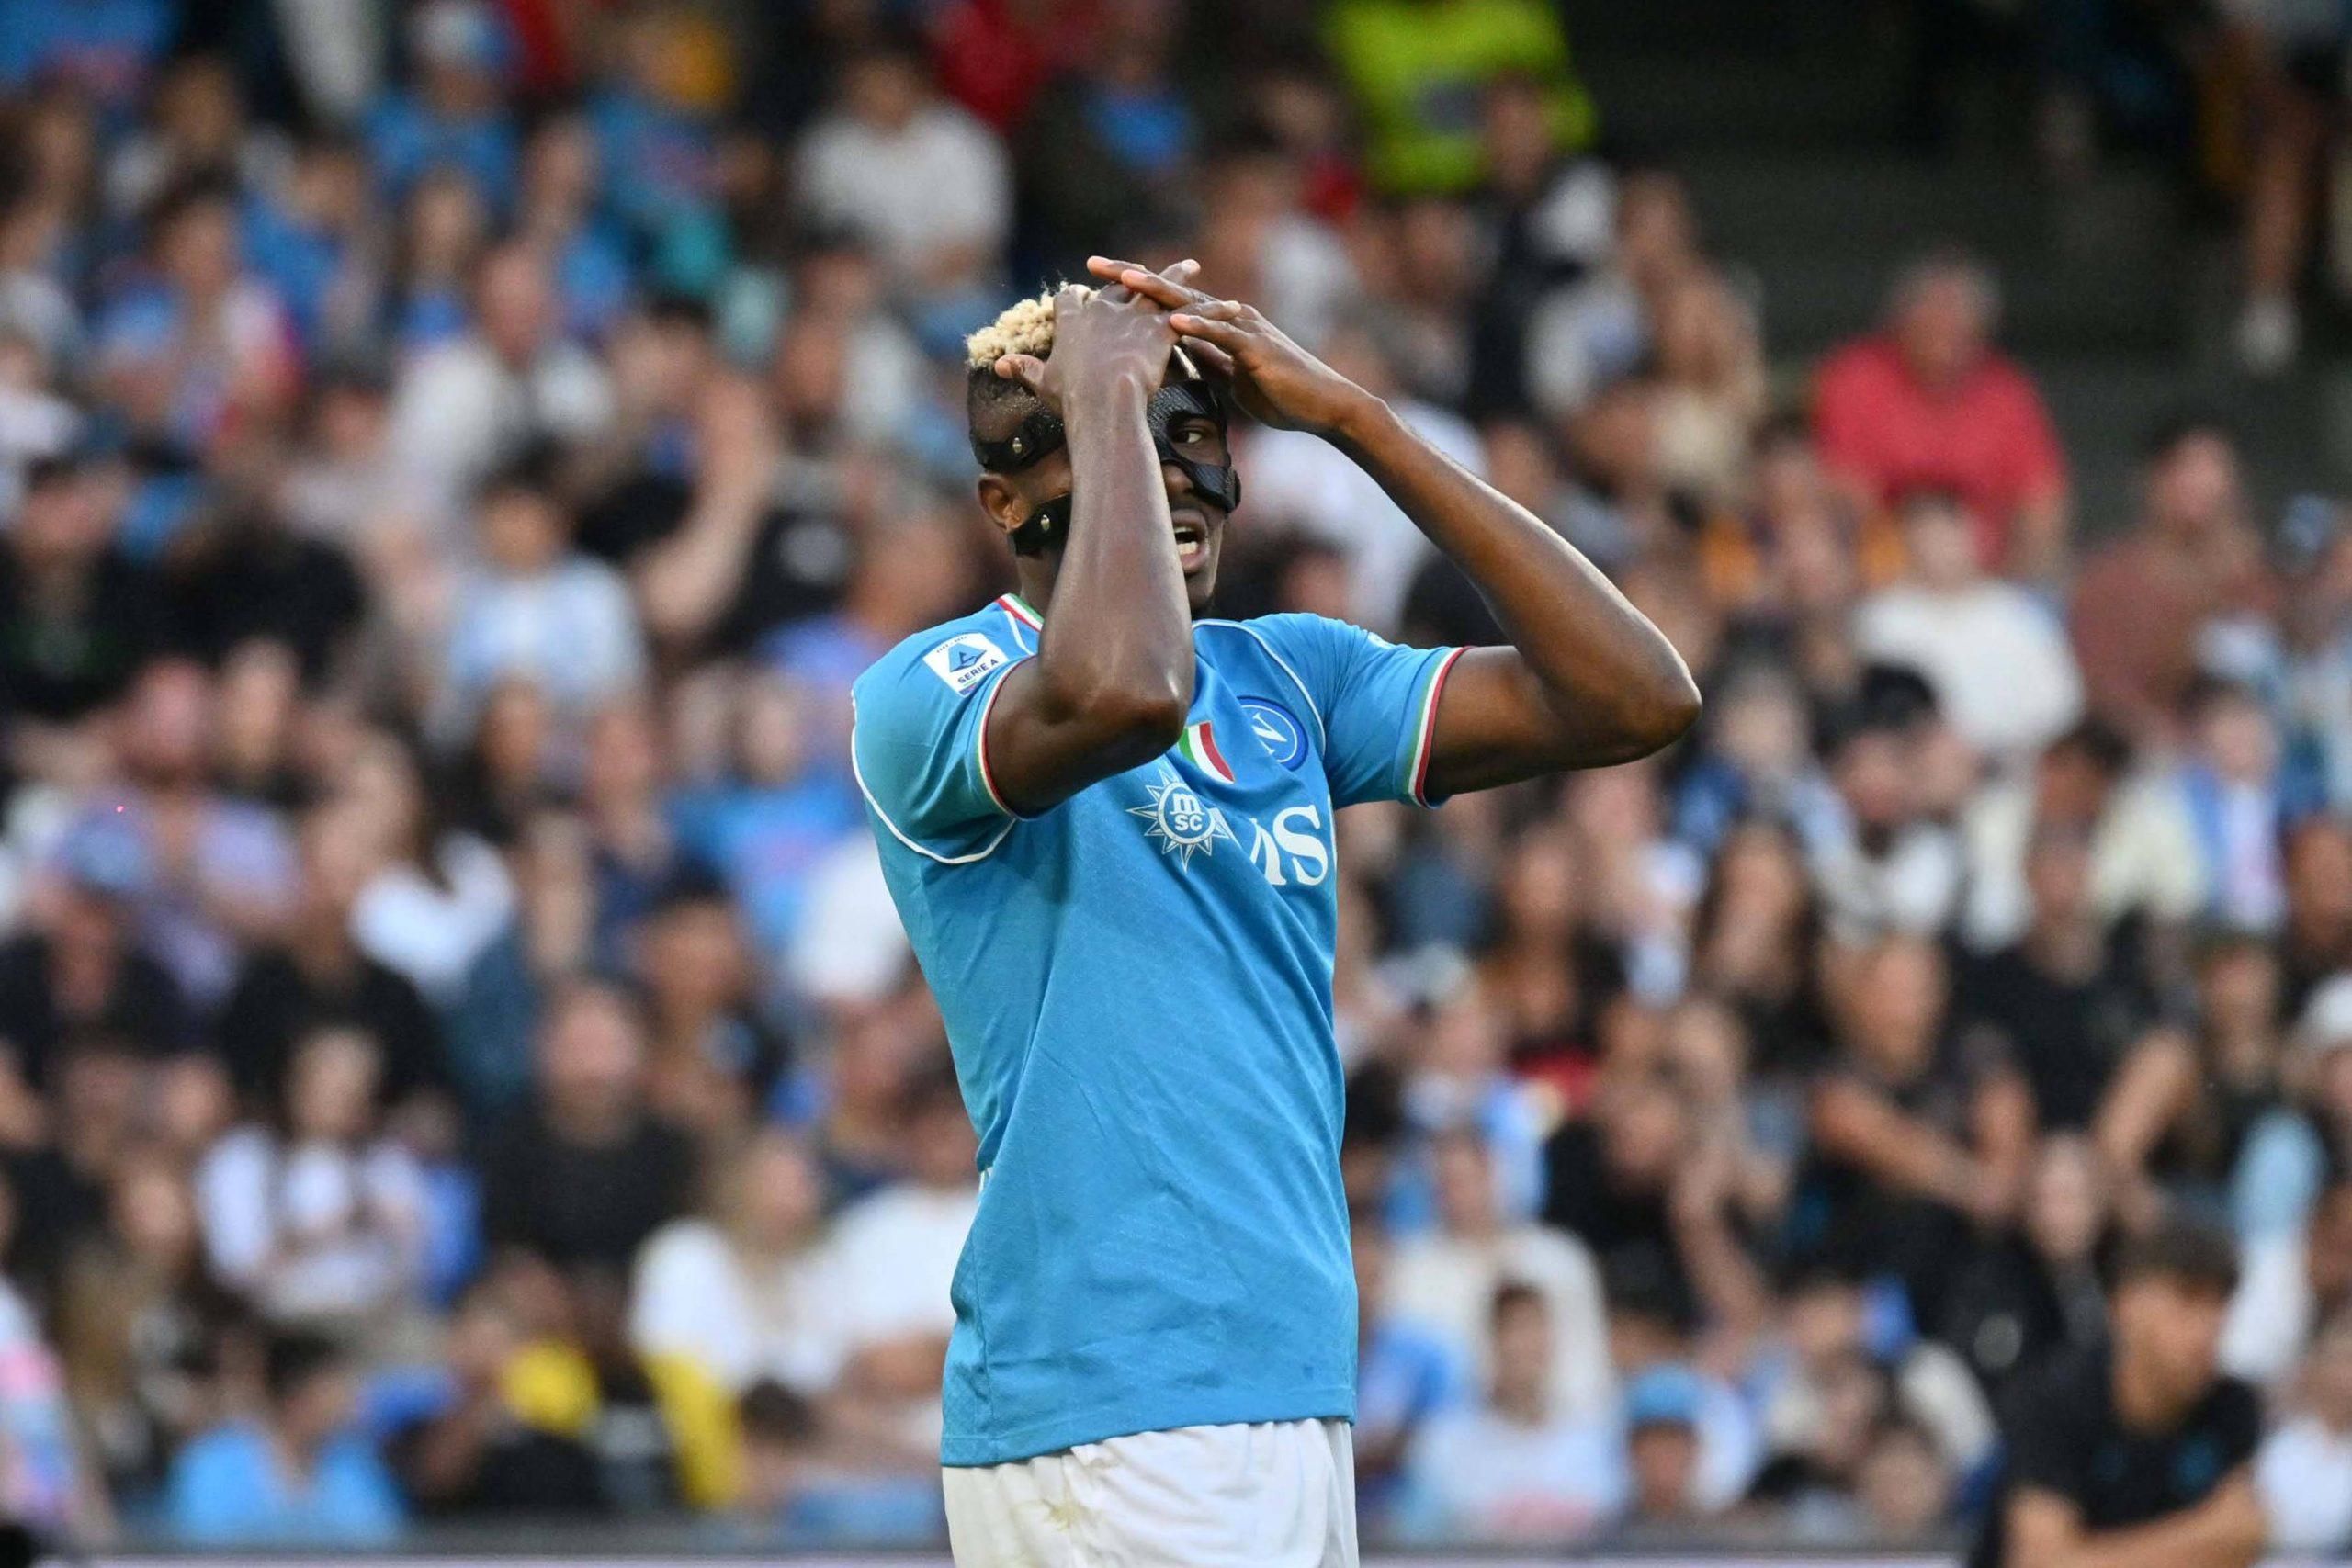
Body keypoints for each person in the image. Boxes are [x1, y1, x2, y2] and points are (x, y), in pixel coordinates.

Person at [850, 259, 1696, 1566]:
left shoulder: (1289, 678)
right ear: (1002, 500)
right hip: (1107, 1383)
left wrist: (1359, 421)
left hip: (1287, 1376)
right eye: (1123, 440)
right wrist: (1112, 396)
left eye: (1200, 440)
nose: (1180, 475)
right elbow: (1129, 682)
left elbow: (1635, 695)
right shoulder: (933, 690)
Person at [1970, 1219, 2267, 1568]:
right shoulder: (2054, 1398)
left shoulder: (2232, 1407)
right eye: (2188, 1298)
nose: (2208, 1326)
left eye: (2220, 1305)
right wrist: (2201, 1536)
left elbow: (2241, 1538)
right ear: (2126, 1304)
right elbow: (2039, 1562)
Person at [163, 1329, 403, 1546]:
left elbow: (382, 1544)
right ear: (297, 1394)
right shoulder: (212, 1464)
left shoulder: (355, 1467)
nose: (351, 1402)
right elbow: (202, 1549)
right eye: (335, 1388)